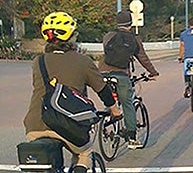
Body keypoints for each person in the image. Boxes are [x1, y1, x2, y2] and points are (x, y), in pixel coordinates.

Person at [24, 12, 121, 173]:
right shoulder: (83, 61)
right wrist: (114, 109)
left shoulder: (38, 61)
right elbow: (102, 89)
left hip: (35, 124)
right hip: (68, 124)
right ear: (71, 37)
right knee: (84, 152)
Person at [99, 10, 159, 149]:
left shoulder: (108, 36)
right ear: (130, 24)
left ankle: (106, 121)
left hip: (102, 74)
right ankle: (132, 138)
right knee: (127, 103)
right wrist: (153, 72)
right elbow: (142, 58)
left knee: (110, 99)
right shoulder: (134, 39)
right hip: (121, 75)